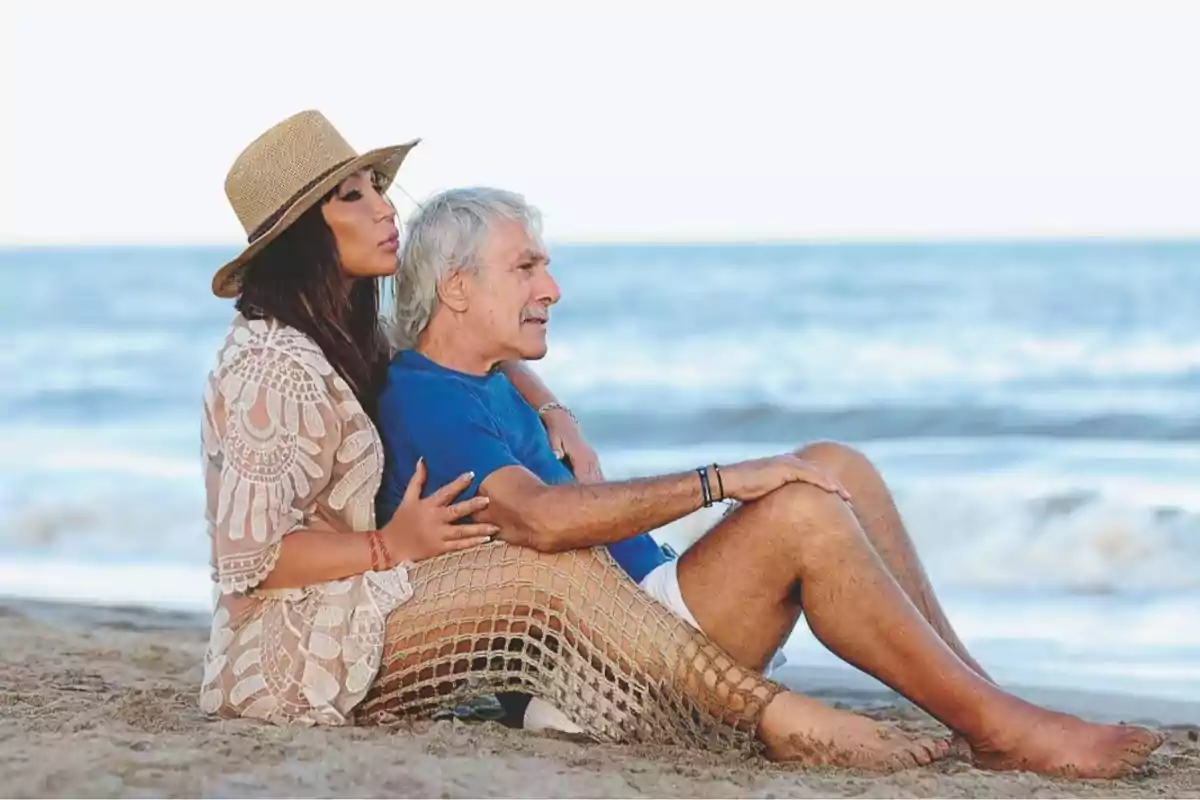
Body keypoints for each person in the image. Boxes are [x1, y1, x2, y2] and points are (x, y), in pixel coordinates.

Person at [199, 110, 953, 771]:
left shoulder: (348, 339)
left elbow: (441, 353)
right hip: (362, 648)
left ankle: (970, 694)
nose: (384, 206)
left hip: (528, 609)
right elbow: (252, 561)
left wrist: (552, 404)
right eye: (353, 195)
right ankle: (831, 716)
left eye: (376, 186)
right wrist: (389, 546)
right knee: (773, 515)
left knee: (834, 466)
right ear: (306, 233)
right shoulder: (273, 363)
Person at [374, 186, 1165, 778]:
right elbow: (539, 518)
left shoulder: (481, 376)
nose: (552, 288)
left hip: (642, 624)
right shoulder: (427, 398)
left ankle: (985, 703)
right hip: (594, 679)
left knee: (837, 463)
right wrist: (723, 479)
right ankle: (1001, 726)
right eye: (527, 267)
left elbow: (480, 363)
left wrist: (554, 405)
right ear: (457, 287)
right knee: (796, 511)